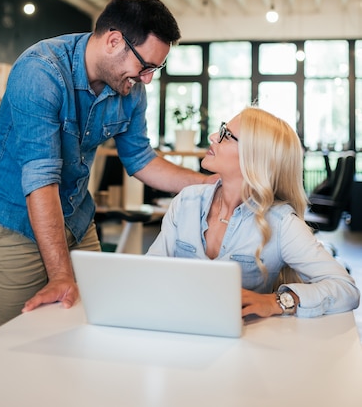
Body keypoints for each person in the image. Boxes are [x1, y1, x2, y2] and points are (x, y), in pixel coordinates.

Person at [0, 0, 216, 327]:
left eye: (156, 69)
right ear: (114, 41)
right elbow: (41, 179)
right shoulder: (40, 71)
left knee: (94, 320)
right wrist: (61, 275)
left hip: (74, 216)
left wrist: (210, 183)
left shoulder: (131, 90)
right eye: (145, 66)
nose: (147, 78)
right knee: (22, 332)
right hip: (12, 217)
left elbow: (141, 159)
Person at [147, 106, 360, 318]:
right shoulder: (186, 201)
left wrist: (278, 301)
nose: (213, 137)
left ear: (254, 155)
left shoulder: (281, 223)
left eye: (226, 135)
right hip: (176, 328)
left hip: (246, 344)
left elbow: (346, 289)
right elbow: (149, 272)